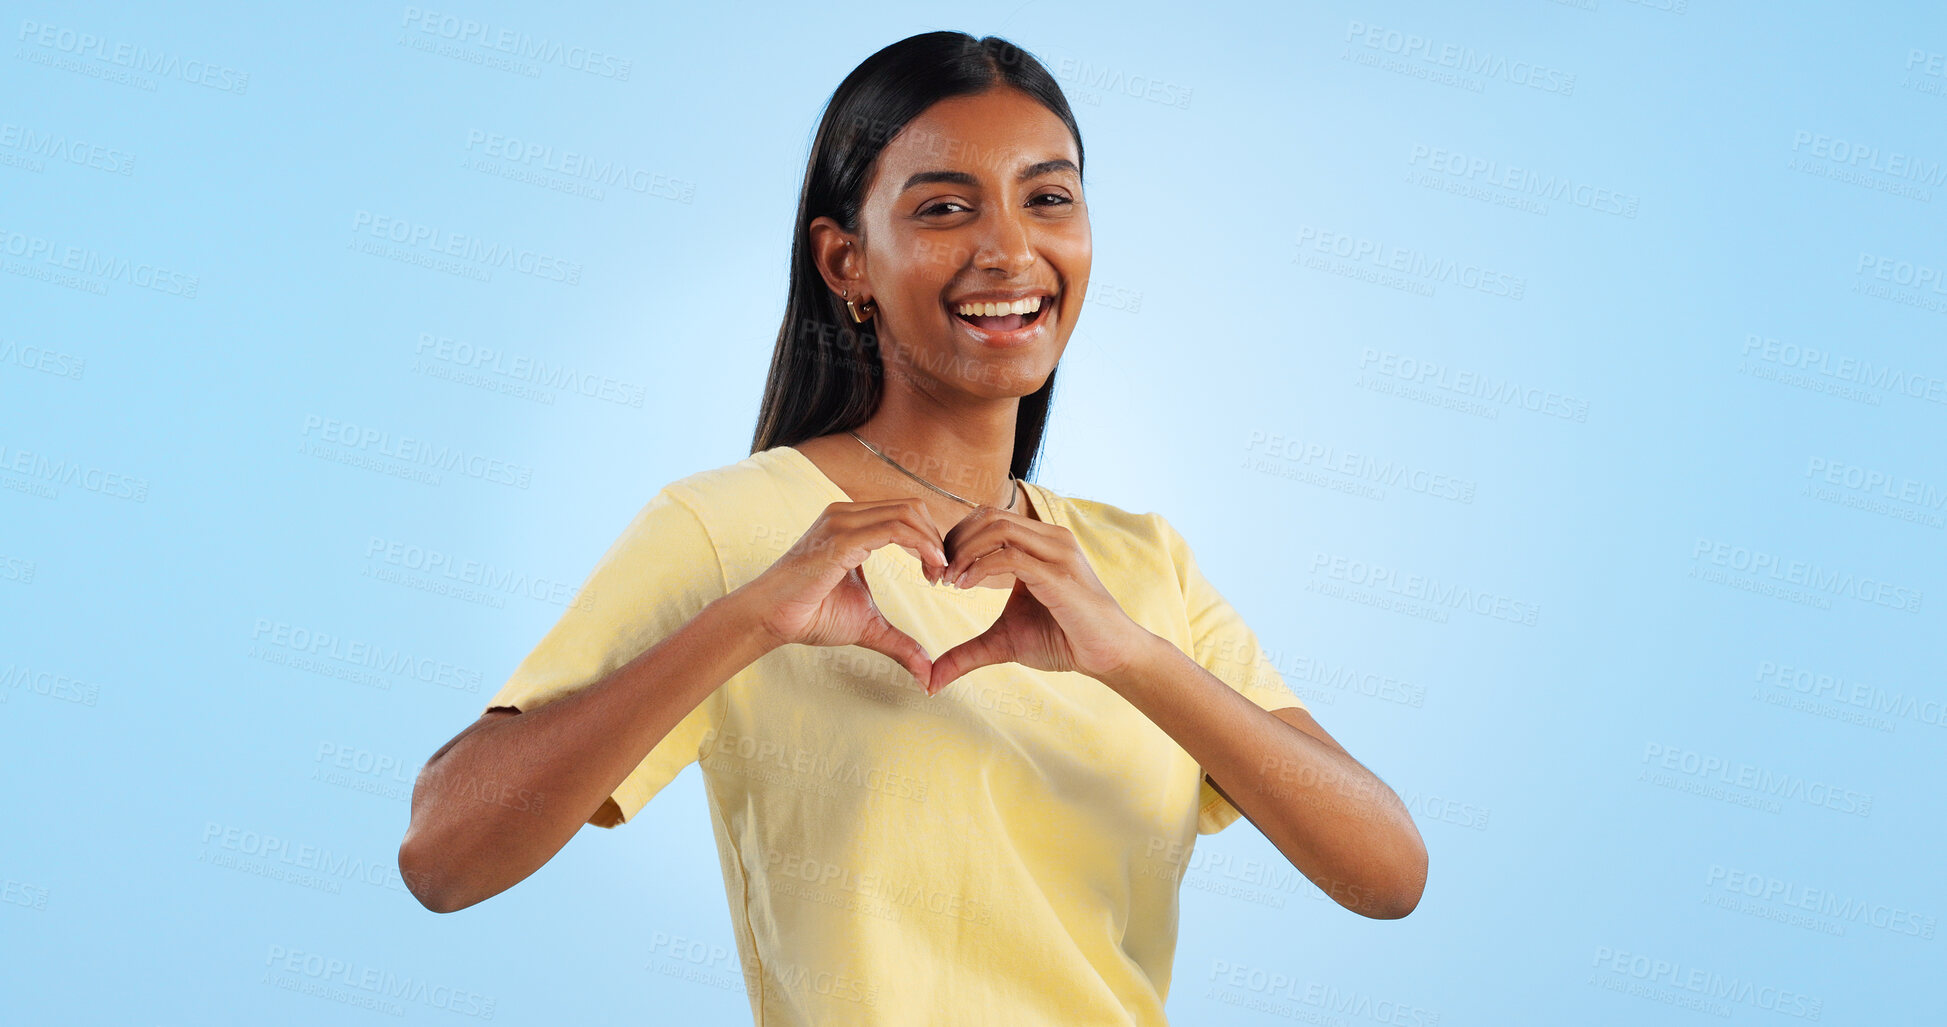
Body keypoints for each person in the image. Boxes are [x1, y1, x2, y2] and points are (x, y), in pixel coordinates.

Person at [398, 30, 1426, 1025]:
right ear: (847, 262)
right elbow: (445, 855)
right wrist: (749, 623)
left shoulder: (1136, 564)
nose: (1011, 250)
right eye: (944, 208)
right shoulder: (733, 527)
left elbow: (1389, 873)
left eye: (1050, 198)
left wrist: (1132, 657)